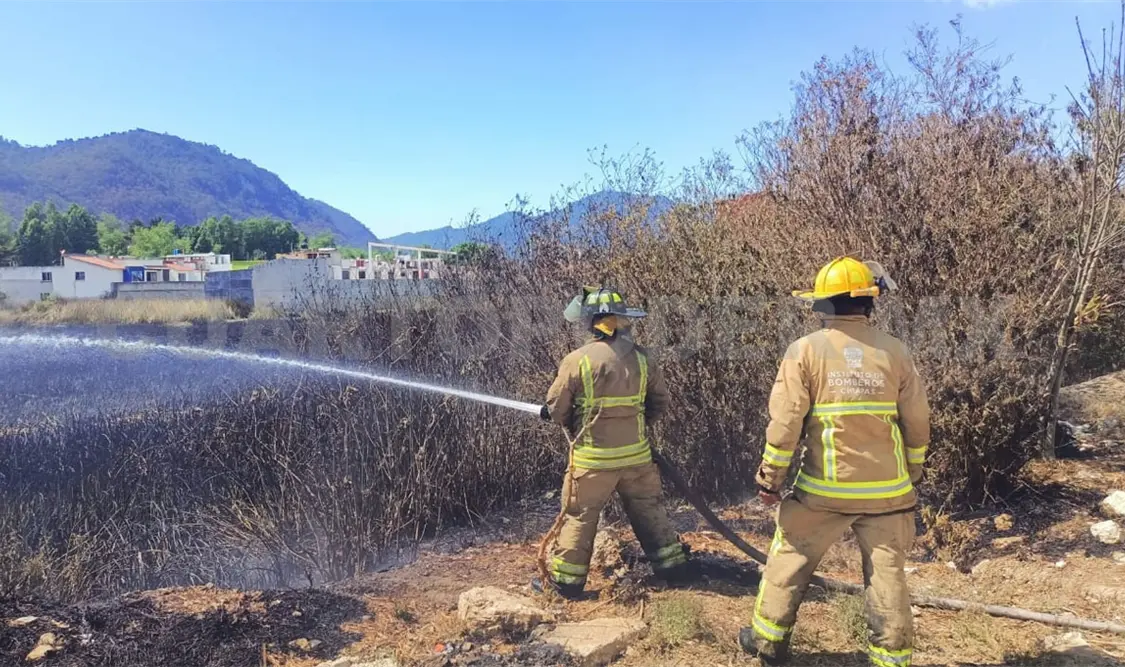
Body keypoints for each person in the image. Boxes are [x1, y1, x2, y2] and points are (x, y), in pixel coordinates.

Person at [741, 258, 930, 667]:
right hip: (888, 493)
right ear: (869, 303)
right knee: (888, 576)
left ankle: (768, 642)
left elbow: (786, 422)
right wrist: (912, 472)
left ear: (822, 305)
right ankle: (891, 659)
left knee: (789, 556)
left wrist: (770, 479)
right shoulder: (895, 351)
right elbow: (917, 421)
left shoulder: (805, 351)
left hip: (824, 491)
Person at [534, 286, 695, 599]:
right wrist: (634, 428)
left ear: (591, 322)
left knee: (580, 517)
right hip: (637, 459)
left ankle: (567, 584)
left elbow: (556, 410)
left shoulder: (577, 361)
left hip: (593, 462)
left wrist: (559, 416)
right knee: (650, 510)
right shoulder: (644, 359)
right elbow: (659, 403)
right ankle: (674, 570)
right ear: (622, 320)